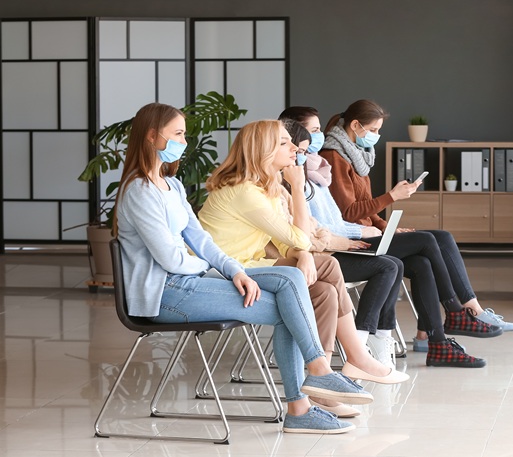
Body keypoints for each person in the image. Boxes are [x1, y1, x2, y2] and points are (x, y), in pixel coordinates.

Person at [114, 102, 372, 434]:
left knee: (292, 278)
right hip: (165, 293)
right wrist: (210, 268)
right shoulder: (139, 191)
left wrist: (233, 270)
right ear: (152, 136)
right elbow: (170, 259)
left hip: (190, 281)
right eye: (177, 134)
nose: (184, 140)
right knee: (289, 305)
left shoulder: (172, 186)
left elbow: (202, 240)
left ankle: (315, 378)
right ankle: (303, 401)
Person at [198, 120, 408, 417]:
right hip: (228, 273)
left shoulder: (263, 188)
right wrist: (297, 187)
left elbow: (287, 242)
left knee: (322, 290)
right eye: (285, 143)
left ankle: (324, 382)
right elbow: (299, 237)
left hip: (254, 265)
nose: (294, 148)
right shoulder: (245, 192)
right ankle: (350, 361)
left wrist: (303, 254)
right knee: (329, 266)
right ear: (263, 150)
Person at [317, 101, 513, 359]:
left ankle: (437, 342)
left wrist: (389, 227)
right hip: (353, 241)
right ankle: (460, 311)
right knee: (428, 240)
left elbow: (366, 211)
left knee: (425, 259)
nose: (377, 135)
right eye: (374, 129)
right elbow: (348, 214)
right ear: (355, 125)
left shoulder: (355, 154)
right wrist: (392, 196)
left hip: (370, 234)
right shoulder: (333, 156)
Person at [279, 115, 404, 369]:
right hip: (321, 252)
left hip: (332, 245)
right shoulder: (293, 181)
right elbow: (309, 233)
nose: (318, 137)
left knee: (403, 261)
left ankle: (373, 343)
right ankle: (359, 347)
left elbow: (321, 226)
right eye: (312, 132)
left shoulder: (317, 173)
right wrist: (353, 236)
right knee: (391, 264)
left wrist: (365, 231)